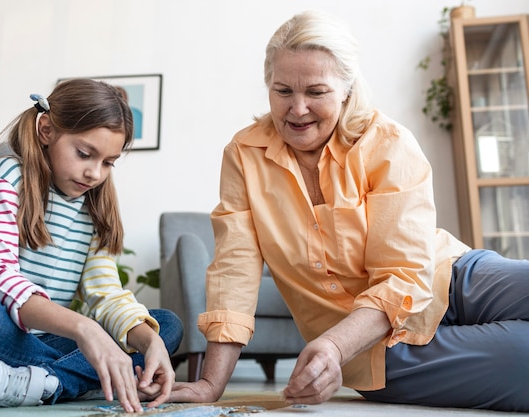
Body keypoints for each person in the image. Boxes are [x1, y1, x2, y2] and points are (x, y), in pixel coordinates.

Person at [168, 10, 529, 412]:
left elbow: (406, 272)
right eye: (282, 90)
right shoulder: (243, 154)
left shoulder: (386, 141)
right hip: (371, 347)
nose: (297, 108)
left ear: (347, 90)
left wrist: (332, 345)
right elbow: (234, 268)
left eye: (316, 92)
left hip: (452, 276)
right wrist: (210, 384)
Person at [0, 78, 183, 413]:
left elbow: (107, 296)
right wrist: (85, 329)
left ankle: (38, 382)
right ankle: (67, 380)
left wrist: (149, 342)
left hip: (25, 348)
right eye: (84, 154)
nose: (95, 173)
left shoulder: (94, 210)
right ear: (47, 130)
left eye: (108, 162)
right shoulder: (7, 176)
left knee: (163, 326)